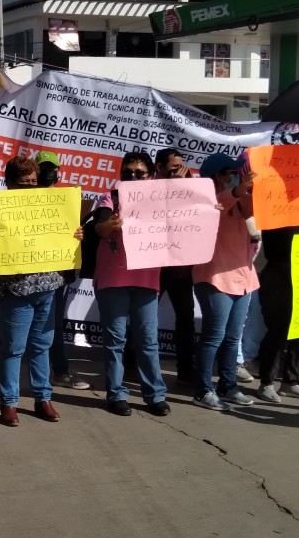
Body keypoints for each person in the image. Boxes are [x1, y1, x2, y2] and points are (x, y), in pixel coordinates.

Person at [0, 155, 83, 427]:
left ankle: (42, 397)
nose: (30, 187)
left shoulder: (51, 206)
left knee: (42, 346)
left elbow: (63, 236)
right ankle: (9, 402)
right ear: (10, 184)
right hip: (15, 290)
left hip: (47, 287)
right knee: (13, 348)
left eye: (33, 182)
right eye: (24, 183)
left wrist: (75, 236)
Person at [93, 151, 169, 417]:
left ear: (151, 175)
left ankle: (154, 395)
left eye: (139, 173)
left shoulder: (162, 201)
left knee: (147, 341)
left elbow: (187, 221)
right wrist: (110, 224)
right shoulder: (110, 198)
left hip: (147, 278)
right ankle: (116, 394)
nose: (133, 177)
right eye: (127, 173)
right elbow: (100, 227)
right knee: (115, 341)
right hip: (114, 278)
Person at [192, 153, 257, 411]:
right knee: (213, 337)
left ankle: (228, 386)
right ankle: (203, 390)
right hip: (215, 277)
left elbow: (262, 209)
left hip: (243, 277)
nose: (233, 177)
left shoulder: (242, 199)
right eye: (228, 173)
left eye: (235, 173)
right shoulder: (205, 199)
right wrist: (239, 190)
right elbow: (220, 203)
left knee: (232, 338)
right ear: (215, 175)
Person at [35, 151, 90, 391]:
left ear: (60, 172)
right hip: (25, 272)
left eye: (51, 167)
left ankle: (59, 370)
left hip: (56, 273)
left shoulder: (70, 201)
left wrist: (79, 235)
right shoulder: (20, 198)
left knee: (52, 323)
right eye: (43, 168)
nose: (48, 172)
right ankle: (35, 372)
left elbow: (74, 236)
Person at [153, 148, 196, 386]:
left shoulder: (190, 188)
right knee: (144, 318)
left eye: (181, 167)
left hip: (181, 265)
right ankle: (131, 363)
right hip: (154, 266)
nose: (178, 172)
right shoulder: (146, 189)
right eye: (173, 168)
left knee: (186, 319)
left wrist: (184, 188)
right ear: (159, 167)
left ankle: (186, 369)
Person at [255, 226, 299, 403]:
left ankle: (291, 380)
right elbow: (273, 249)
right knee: (278, 329)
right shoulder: (277, 211)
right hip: (279, 276)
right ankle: (267, 382)